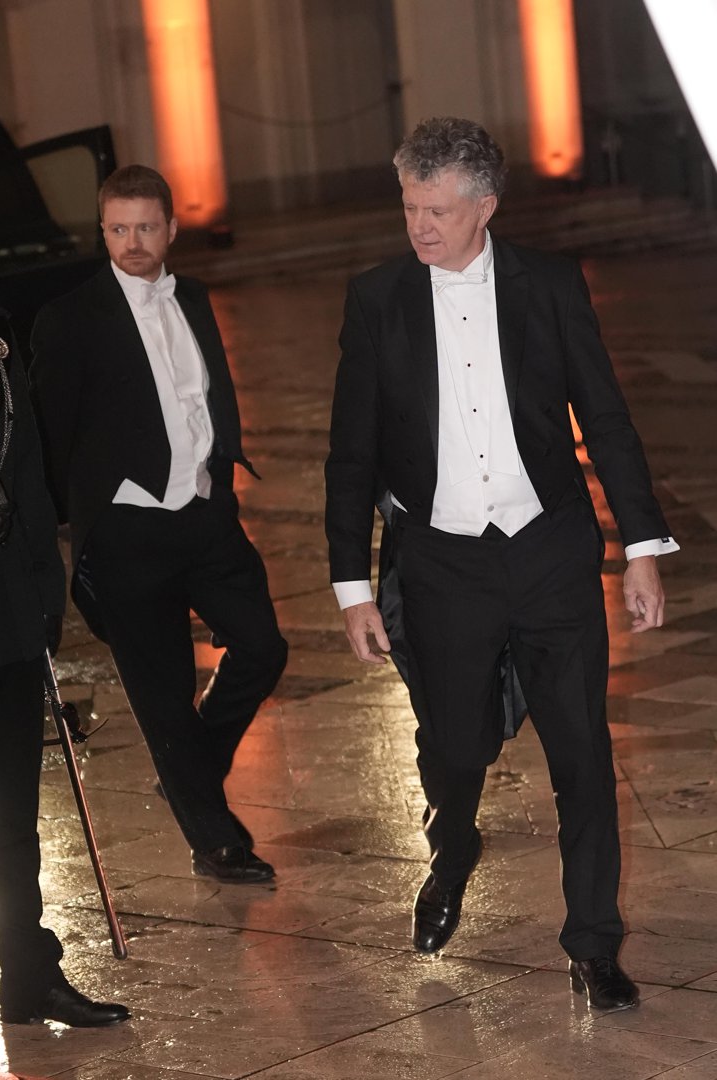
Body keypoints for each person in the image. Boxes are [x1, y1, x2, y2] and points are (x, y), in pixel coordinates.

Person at [325, 117, 679, 1011]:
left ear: (485, 206)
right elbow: (350, 456)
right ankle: (451, 849)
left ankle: (593, 942)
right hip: (441, 566)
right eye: (409, 207)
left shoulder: (550, 286)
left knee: (583, 757)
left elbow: (605, 417)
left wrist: (642, 549)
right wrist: (351, 587)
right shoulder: (375, 299)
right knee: (454, 745)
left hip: (550, 554)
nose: (418, 227)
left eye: (436, 210)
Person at [30, 165, 287, 885]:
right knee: (164, 690)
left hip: (205, 515)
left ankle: (190, 771)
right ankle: (215, 840)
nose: (132, 243)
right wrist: (71, 539)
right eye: (117, 229)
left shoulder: (194, 298)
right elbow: (52, 436)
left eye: (146, 227)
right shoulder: (69, 319)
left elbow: (205, 401)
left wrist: (222, 483)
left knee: (263, 646)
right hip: (127, 532)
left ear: (171, 228)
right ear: (102, 229)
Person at [0, 310, 129, 1026]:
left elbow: (28, 475)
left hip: (8, 615)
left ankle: (26, 975)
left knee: (12, 817)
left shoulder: (1, 339)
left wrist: (46, 593)